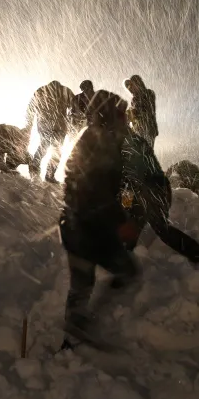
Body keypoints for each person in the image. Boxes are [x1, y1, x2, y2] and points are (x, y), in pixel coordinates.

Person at [59, 90, 141, 350]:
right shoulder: (100, 142)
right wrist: (121, 221)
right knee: (126, 271)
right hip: (91, 230)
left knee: (81, 284)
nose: (125, 119)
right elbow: (94, 191)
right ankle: (78, 327)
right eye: (120, 114)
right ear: (107, 115)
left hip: (77, 227)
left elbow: (92, 186)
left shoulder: (95, 139)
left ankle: (72, 337)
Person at [121, 130, 199, 268]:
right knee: (133, 226)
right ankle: (126, 266)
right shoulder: (127, 141)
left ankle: (198, 254)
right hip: (150, 190)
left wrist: (126, 204)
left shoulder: (126, 144)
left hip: (152, 191)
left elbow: (129, 179)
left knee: (159, 227)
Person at [25, 80, 75, 183]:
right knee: (56, 150)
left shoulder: (42, 91)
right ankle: (49, 174)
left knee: (44, 146)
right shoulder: (65, 91)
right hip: (58, 126)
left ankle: (36, 168)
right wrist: (73, 124)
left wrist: (29, 124)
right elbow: (74, 108)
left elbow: (31, 108)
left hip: (46, 125)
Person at [124, 75, 158, 147]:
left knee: (147, 150)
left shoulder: (149, 93)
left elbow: (147, 109)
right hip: (139, 129)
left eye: (132, 86)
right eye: (129, 88)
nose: (130, 90)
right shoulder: (134, 99)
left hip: (148, 128)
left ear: (138, 84)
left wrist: (134, 112)